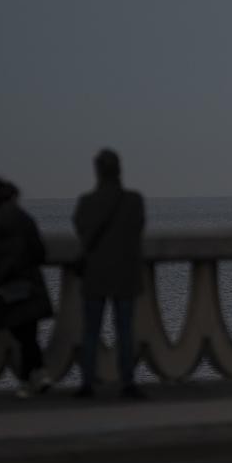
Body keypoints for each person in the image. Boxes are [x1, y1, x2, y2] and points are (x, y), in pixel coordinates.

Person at [72, 149, 145, 399]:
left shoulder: (86, 203)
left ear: (97, 171)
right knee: (124, 331)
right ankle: (128, 382)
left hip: (95, 274)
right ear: (119, 170)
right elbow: (138, 229)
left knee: (91, 331)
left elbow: (81, 229)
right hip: (125, 273)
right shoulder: (134, 201)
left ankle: (87, 383)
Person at [0, 178, 53, 398]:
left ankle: (33, 378)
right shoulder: (23, 219)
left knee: (23, 336)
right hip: (27, 284)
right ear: (12, 198)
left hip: (3, 287)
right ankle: (32, 379)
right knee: (28, 335)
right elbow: (39, 252)